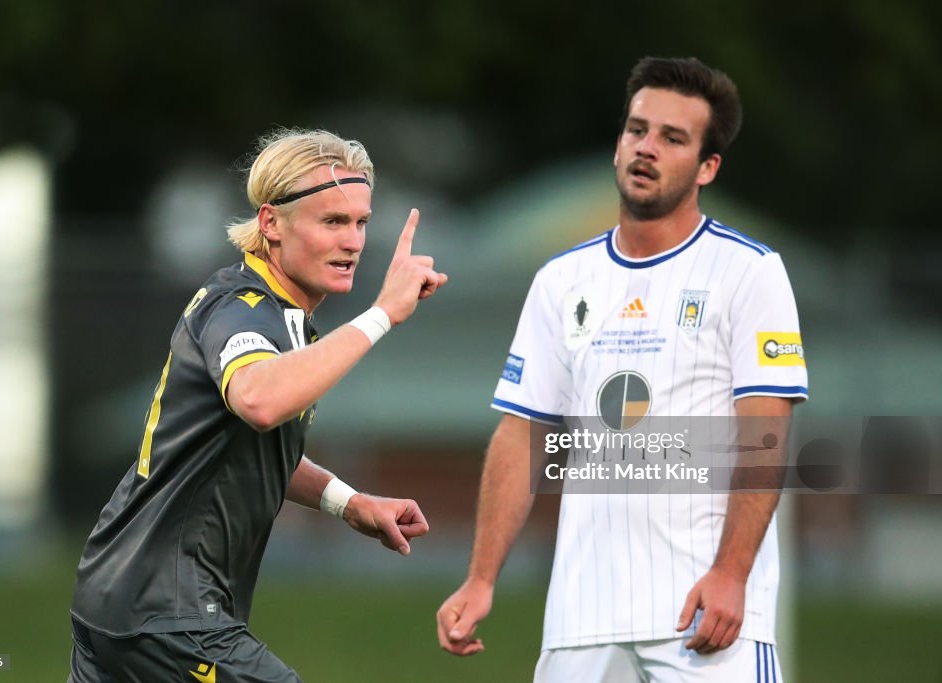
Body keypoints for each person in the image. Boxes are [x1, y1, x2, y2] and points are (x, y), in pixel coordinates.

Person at [437, 57, 807, 682]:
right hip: (582, 622)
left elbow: (764, 436)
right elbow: (521, 433)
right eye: (637, 130)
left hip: (705, 617)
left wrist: (731, 574)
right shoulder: (561, 281)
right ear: (618, 143)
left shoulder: (750, 271)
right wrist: (480, 577)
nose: (647, 148)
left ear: (707, 167)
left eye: (672, 138)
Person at [69, 128, 447, 683]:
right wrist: (382, 313)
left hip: (126, 597)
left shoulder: (288, 323)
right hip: (166, 610)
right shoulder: (241, 308)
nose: (353, 242)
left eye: (361, 222)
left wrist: (352, 504)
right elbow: (259, 402)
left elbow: (259, 449)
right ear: (271, 223)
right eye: (332, 222)